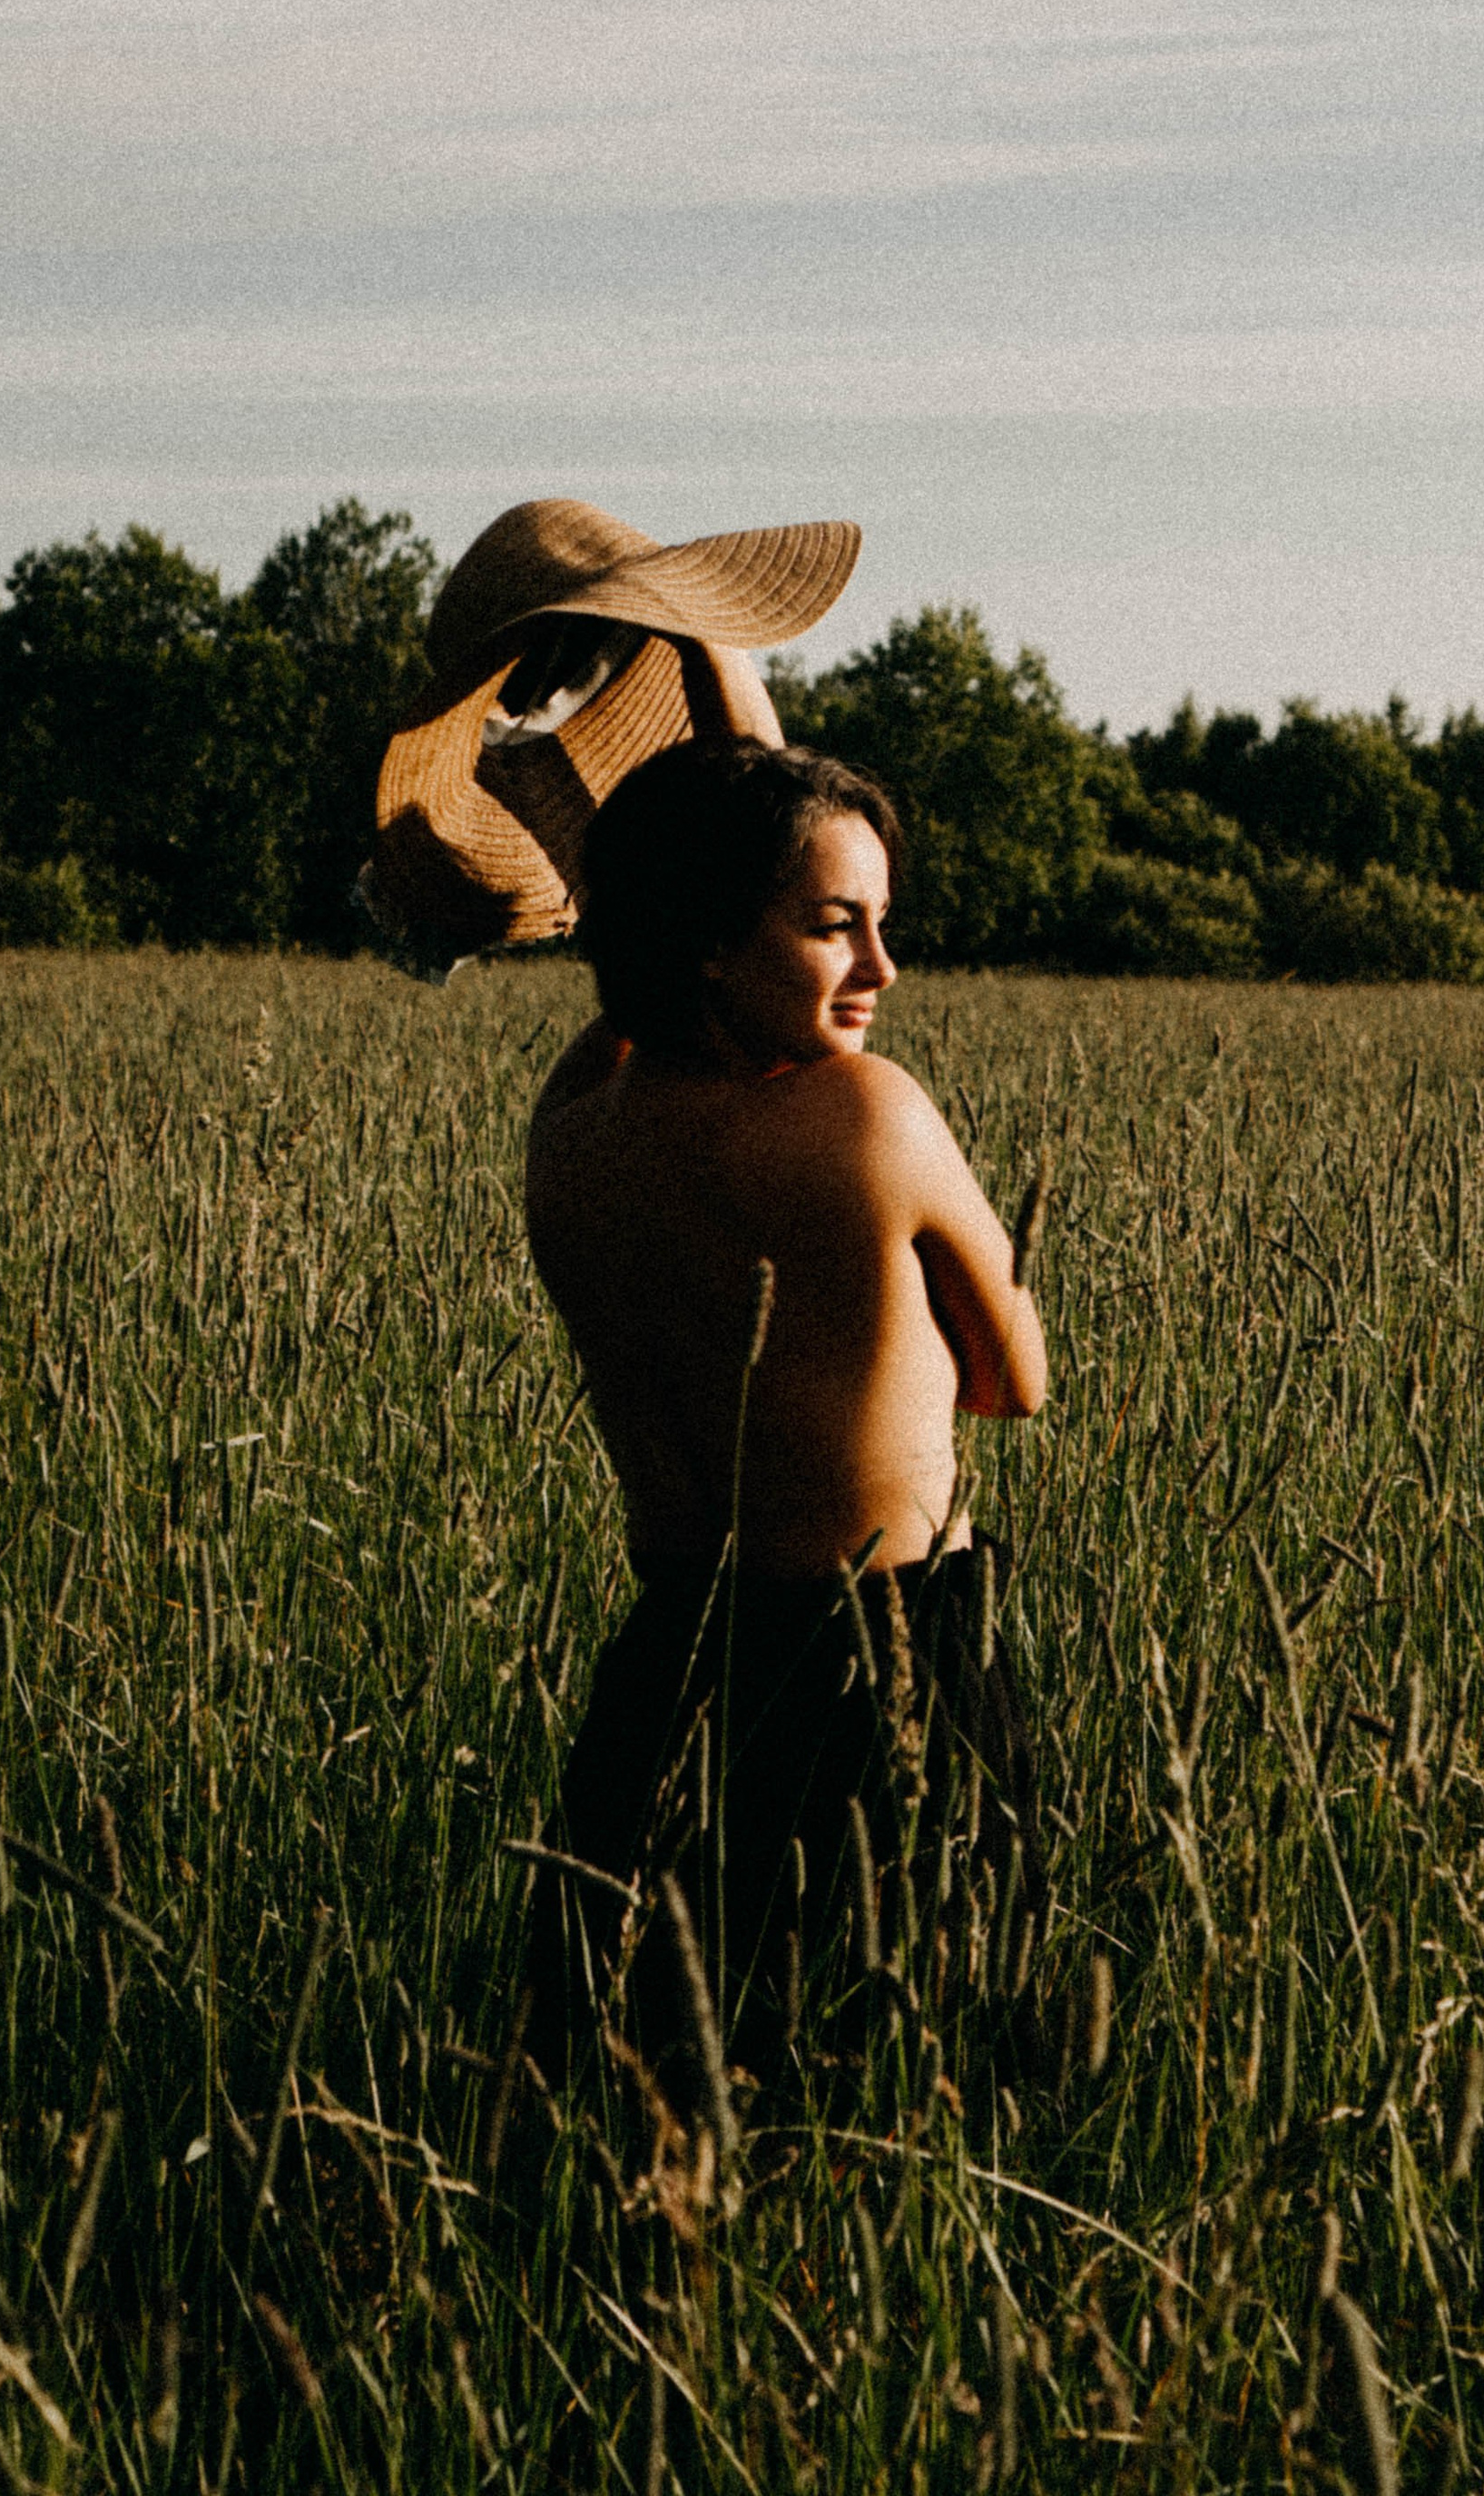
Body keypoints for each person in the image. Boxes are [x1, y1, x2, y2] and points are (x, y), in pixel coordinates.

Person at [521, 738, 1048, 2096]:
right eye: (835, 929)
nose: (882, 968)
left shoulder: (570, 1132)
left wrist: (730, 775)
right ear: (707, 940)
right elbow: (1014, 1382)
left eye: (884, 924)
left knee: (638, 2119)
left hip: (668, 1681)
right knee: (907, 2126)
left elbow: (640, 993)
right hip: (882, 1683)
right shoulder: (871, 1117)